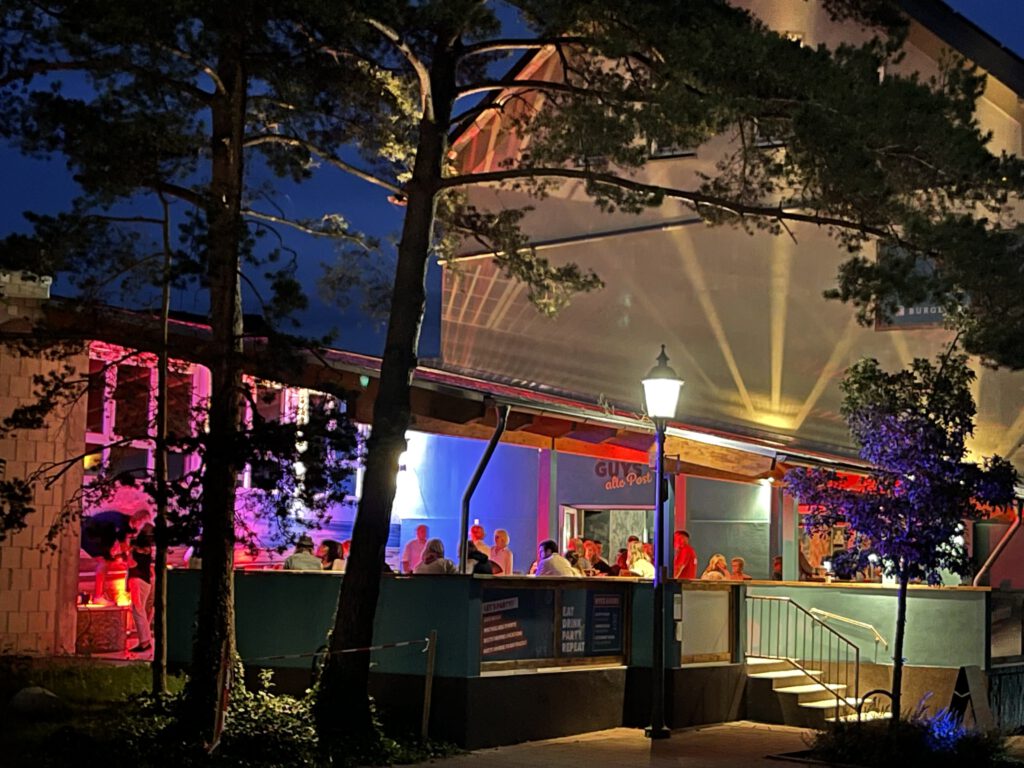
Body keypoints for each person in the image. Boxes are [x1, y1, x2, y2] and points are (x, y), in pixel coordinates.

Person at [80, 508, 149, 605]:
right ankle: (98, 596)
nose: (142, 528)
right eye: (143, 524)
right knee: (104, 562)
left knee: (106, 561)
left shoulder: (125, 523)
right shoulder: (121, 525)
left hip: (95, 534)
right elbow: (123, 546)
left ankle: (99, 594)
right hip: (90, 535)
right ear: (138, 521)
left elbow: (122, 544)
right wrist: (126, 556)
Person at [127, 523, 154, 653]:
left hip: (137, 581)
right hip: (145, 582)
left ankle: (144, 642)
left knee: (138, 611)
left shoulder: (135, 552)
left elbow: (131, 565)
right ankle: (145, 640)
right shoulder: (148, 551)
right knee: (141, 610)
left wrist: (128, 553)